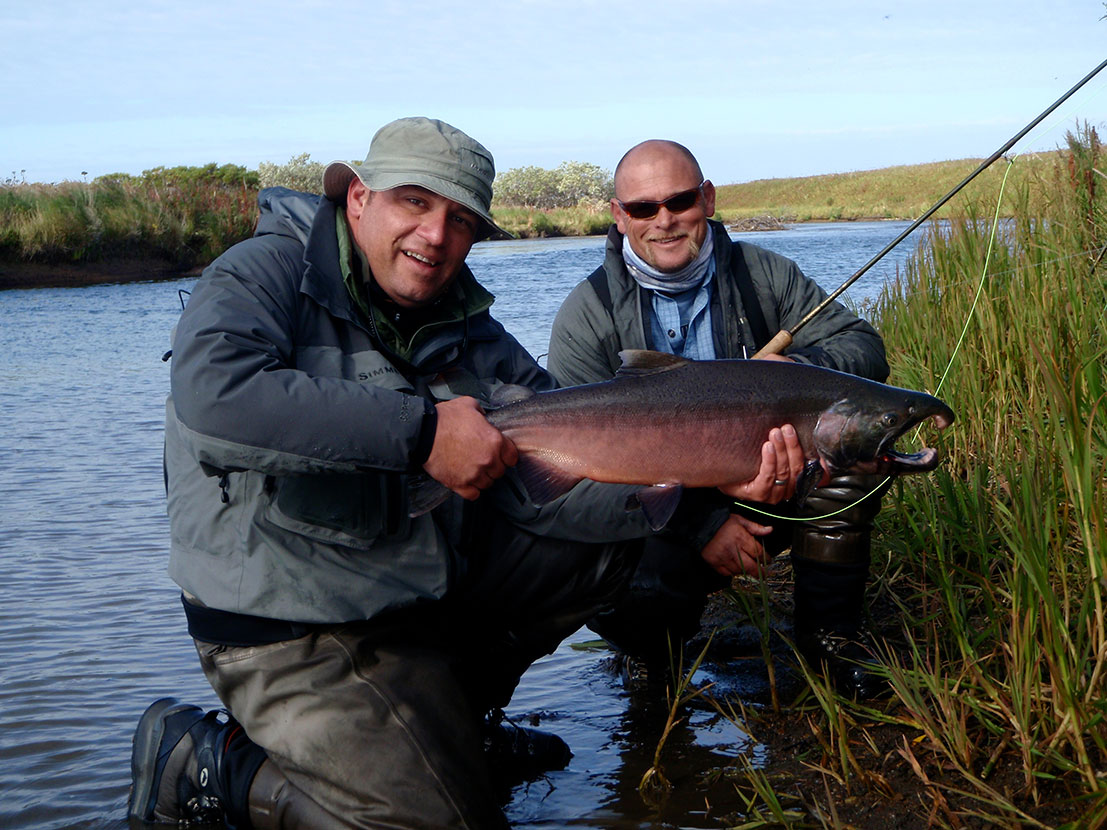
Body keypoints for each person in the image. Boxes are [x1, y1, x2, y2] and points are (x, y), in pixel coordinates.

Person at [127, 118, 799, 830]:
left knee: (623, 548)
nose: (435, 235)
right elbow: (216, 400)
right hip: (291, 623)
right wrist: (421, 433)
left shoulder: (470, 326)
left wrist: (702, 497)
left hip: (415, 589)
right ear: (359, 198)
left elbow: (559, 477)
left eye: (460, 220)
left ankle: (453, 726)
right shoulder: (260, 272)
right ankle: (215, 764)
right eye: (414, 202)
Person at [547, 139, 893, 698]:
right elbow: (581, 491)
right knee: (601, 556)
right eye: (643, 208)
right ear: (619, 215)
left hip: (776, 483)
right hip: (655, 512)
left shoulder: (765, 275)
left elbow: (862, 347)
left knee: (854, 460)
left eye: (680, 201)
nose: (663, 220)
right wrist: (704, 527)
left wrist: (800, 369)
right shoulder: (587, 314)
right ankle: (651, 655)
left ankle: (830, 645)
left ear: (707, 199)